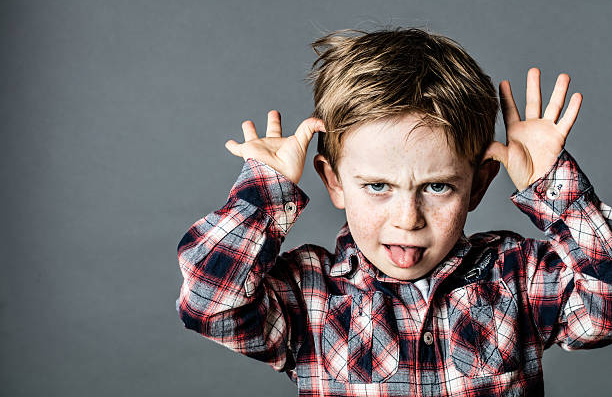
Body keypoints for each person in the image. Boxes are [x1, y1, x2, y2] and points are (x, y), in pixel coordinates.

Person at [175, 28, 612, 396]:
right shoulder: (311, 296)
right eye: (378, 186)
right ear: (333, 181)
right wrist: (267, 191)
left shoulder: (517, 277)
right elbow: (210, 304)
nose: (408, 218)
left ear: (478, 184)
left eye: (437, 187)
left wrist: (556, 189)